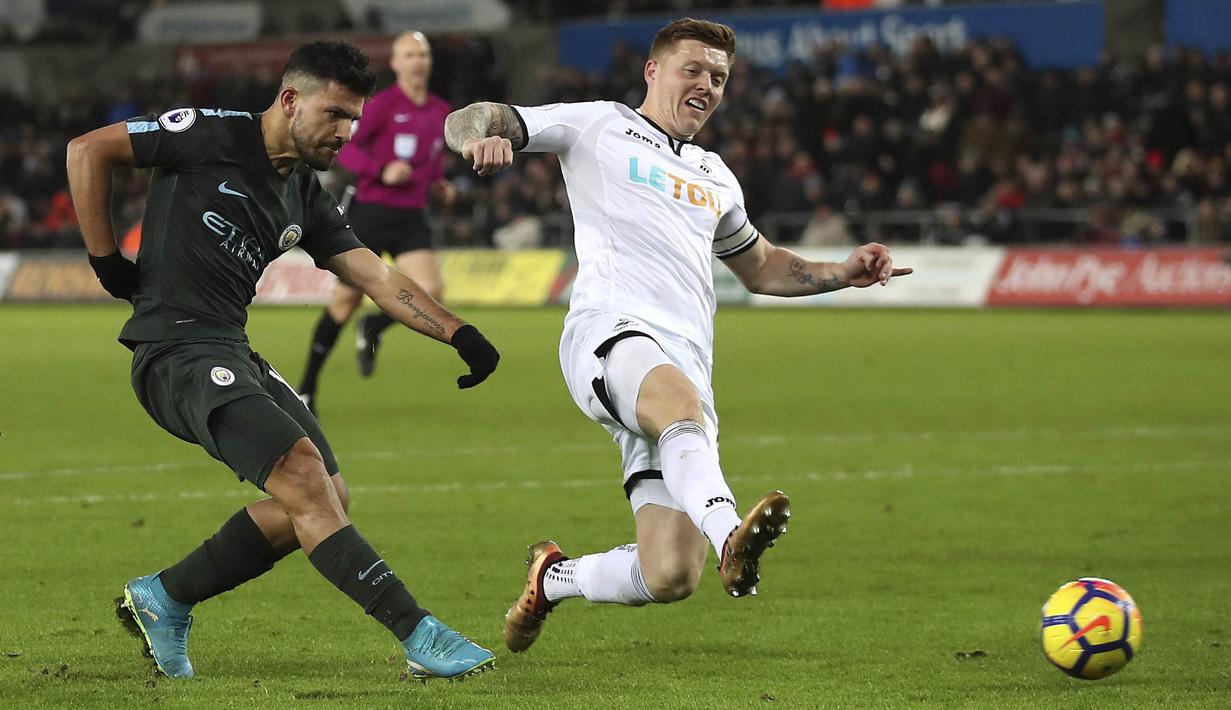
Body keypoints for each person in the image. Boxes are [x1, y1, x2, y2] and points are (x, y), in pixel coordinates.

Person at [443, 18, 912, 653]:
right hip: (611, 333)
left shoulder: (716, 175)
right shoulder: (598, 124)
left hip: (683, 365)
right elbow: (473, 117)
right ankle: (730, 538)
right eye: (693, 70)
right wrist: (478, 138)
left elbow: (762, 267)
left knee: (668, 574)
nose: (707, 85)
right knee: (680, 408)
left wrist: (841, 273)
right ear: (653, 70)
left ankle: (553, 579)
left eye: (718, 77)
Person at [66, 40, 500, 681]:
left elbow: (376, 277)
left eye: (354, 119)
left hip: (229, 347)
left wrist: (460, 333)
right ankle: (419, 633)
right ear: (291, 99)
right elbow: (87, 150)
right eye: (334, 114)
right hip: (173, 349)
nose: (346, 133)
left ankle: (166, 596)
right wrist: (107, 263)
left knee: (330, 494)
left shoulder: (305, 195)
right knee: (302, 475)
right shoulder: (208, 133)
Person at [297, 31, 454, 415]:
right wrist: (382, 170)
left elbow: (432, 159)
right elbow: (346, 149)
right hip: (372, 211)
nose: (418, 61)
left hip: (412, 214)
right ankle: (306, 389)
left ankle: (373, 327)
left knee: (432, 290)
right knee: (344, 302)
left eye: (423, 54)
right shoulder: (381, 105)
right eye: (410, 55)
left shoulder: (440, 109)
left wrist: (439, 184)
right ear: (396, 63)